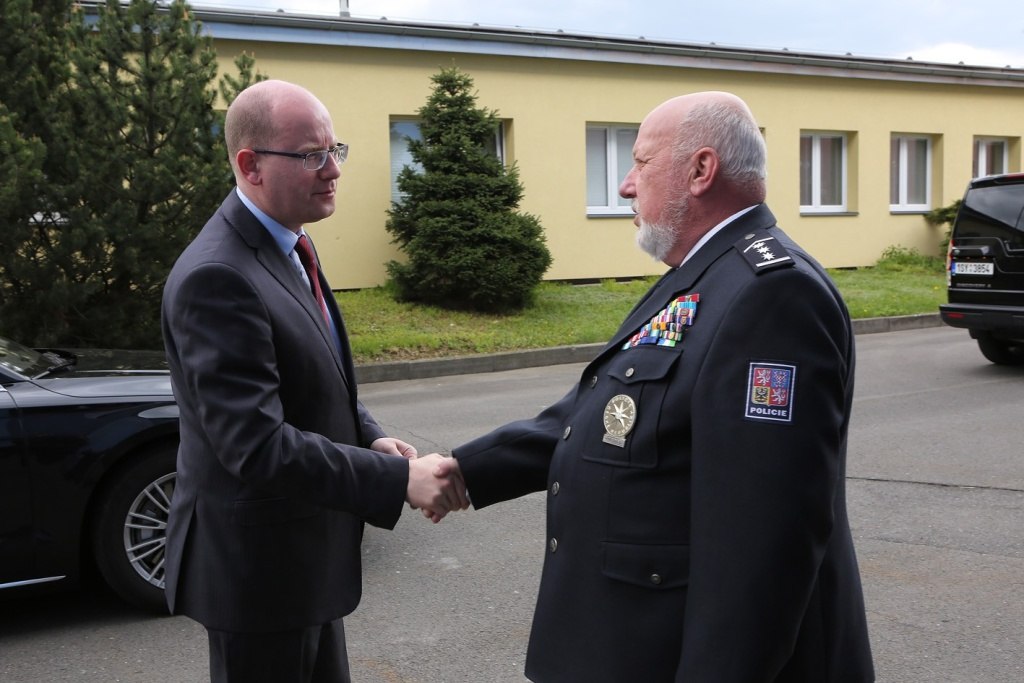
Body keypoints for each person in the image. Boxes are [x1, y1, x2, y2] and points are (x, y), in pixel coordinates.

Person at [436, 92, 875, 681]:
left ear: (700, 170)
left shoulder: (772, 294)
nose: (625, 186)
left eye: (641, 163)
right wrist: (467, 470)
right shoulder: (705, 273)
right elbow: (609, 414)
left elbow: (763, 543)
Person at [161, 79, 467, 683]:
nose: (333, 170)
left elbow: (314, 374)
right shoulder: (218, 276)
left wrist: (369, 435)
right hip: (259, 578)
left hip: (302, 563)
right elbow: (255, 445)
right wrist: (397, 479)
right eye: (310, 155)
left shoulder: (290, 242)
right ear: (250, 165)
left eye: (334, 150)